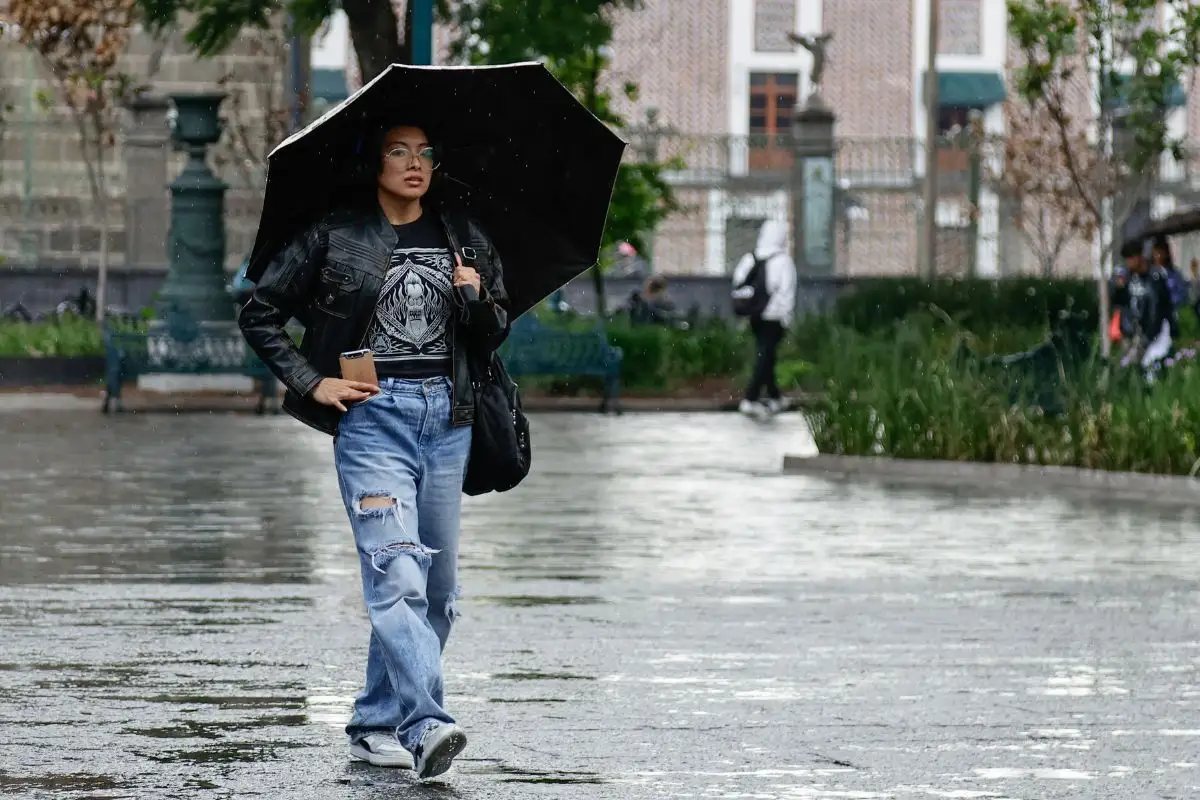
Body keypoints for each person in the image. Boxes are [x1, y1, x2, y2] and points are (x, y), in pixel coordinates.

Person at [239, 120, 510, 779]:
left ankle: (372, 724)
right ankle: (426, 724)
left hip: (449, 421)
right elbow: (259, 309)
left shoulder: (463, 234)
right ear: (375, 162)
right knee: (397, 573)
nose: (415, 163)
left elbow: (494, 329)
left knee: (438, 593)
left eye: (426, 152)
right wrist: (312, 379)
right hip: (373, 422)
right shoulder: (335, 232)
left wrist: (474, 297)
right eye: (399, 151)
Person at [731, 219, 796, 417]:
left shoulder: (750, 258)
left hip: (755, 316)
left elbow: (738, 285)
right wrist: (786, 316)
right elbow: (787, 292)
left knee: (766, 354)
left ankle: (775, 396)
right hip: (775, 317)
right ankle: (750, 399)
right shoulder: (784, 261)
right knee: (765, 355)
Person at [1112, 237, 1173, 379]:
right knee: (1124, 369)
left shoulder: (1155, 277)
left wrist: (1149, 334)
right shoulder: (1128, 277)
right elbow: (1119, 304)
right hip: (1130, 331)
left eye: (1131, 258)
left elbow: (1158, 308)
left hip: (1148, 333)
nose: (1129, 263)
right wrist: (1119, 289)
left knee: (1139, 369)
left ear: (1139, 257)